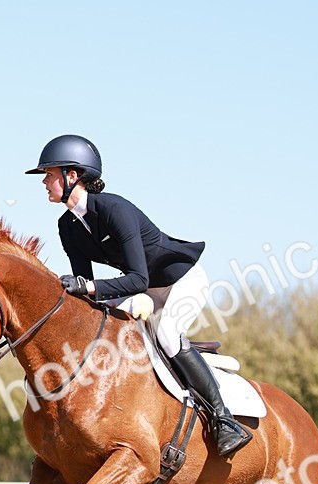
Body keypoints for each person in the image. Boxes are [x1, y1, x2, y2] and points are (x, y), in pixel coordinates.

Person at [26, 134, 252, 457]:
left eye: (49, 174)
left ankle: (224, 419)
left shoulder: (116, 210)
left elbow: (137, 278)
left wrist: (88, 288)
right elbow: (87, 285)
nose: (45, 182)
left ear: (71, 176)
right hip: (144, 288)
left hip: (180, 279)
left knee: (167, 334)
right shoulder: (67, 226)